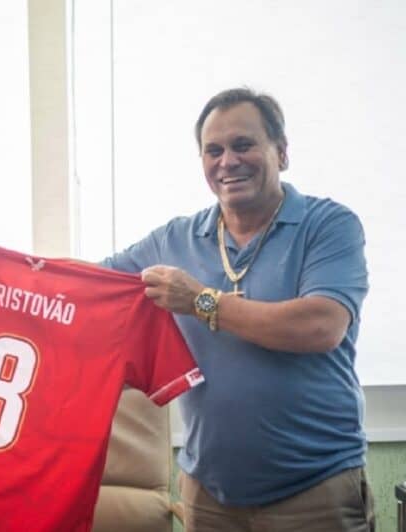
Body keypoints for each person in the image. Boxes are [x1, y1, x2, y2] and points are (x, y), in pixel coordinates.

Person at [101, 88, 374, 531]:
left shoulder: (329, 225)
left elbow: (322, 325)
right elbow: (83, 283)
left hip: (315, 491)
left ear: (281, 153)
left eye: (243, 145)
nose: (227, 161)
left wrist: (201, 302)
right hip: (208, 496)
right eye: (214, 150)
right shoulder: (174, 239)